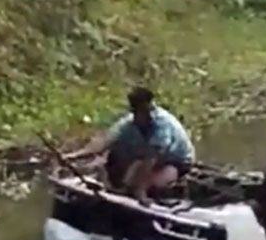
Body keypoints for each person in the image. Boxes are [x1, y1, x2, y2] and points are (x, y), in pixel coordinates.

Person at [66, 87, 195, 204]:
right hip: (146, 158)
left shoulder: (162, 125)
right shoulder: (128, 123)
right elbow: (105, 142)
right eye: (142, 111)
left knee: (151, 186)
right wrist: (72, 156)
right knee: (125, 179)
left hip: (176, 161)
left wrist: (141, 191)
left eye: (149, 110)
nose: (147, 115)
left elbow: (151, 158)